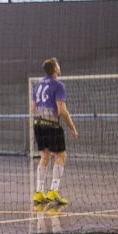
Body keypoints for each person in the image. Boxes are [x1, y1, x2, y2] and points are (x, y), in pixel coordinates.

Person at [31, 57, 78, 205]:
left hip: (38, 124)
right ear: (55, 69)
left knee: (44, 156)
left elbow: (33, 109)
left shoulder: (37, 85)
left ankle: (39, 192)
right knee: (61, 155)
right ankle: (54, 190)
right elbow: (61, 110)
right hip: (51, 124)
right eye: (58, 65)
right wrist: (72, 127)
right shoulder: (58, 85)